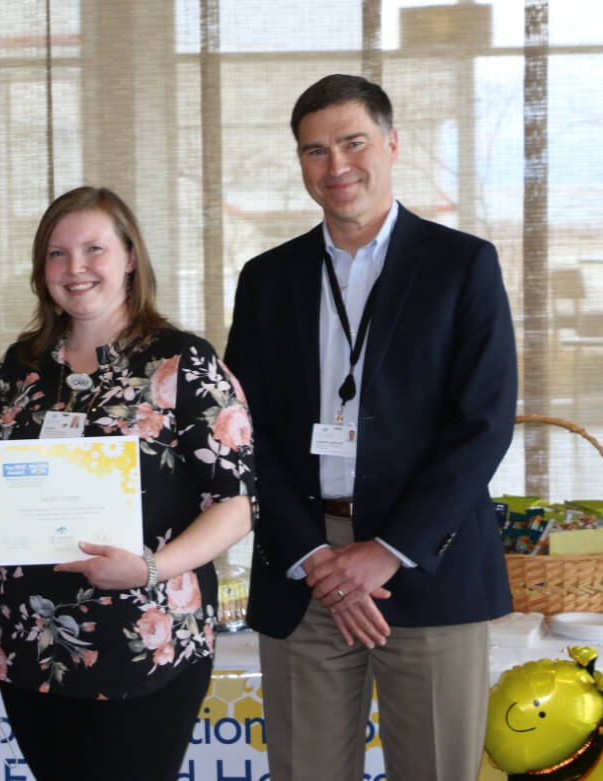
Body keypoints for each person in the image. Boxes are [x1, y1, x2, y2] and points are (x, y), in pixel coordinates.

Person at [223, 74, 518, 781]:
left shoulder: (463, 265)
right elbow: (241, 430)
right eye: (315, 151)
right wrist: (315, 557)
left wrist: (387, 549)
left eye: (353, 142)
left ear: (391, 143)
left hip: (426, 563)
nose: (337, 166)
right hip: (305, 569)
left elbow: (483, 423)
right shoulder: (268, 277)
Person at [0, 186, 256, 781]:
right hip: (31, 639)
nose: (75, 268)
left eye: (94, 249)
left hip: (144, 637)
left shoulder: (181, 363)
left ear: (130, 258)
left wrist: (149, 570)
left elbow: (237, 506)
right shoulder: (22, 367)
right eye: (57, 254)